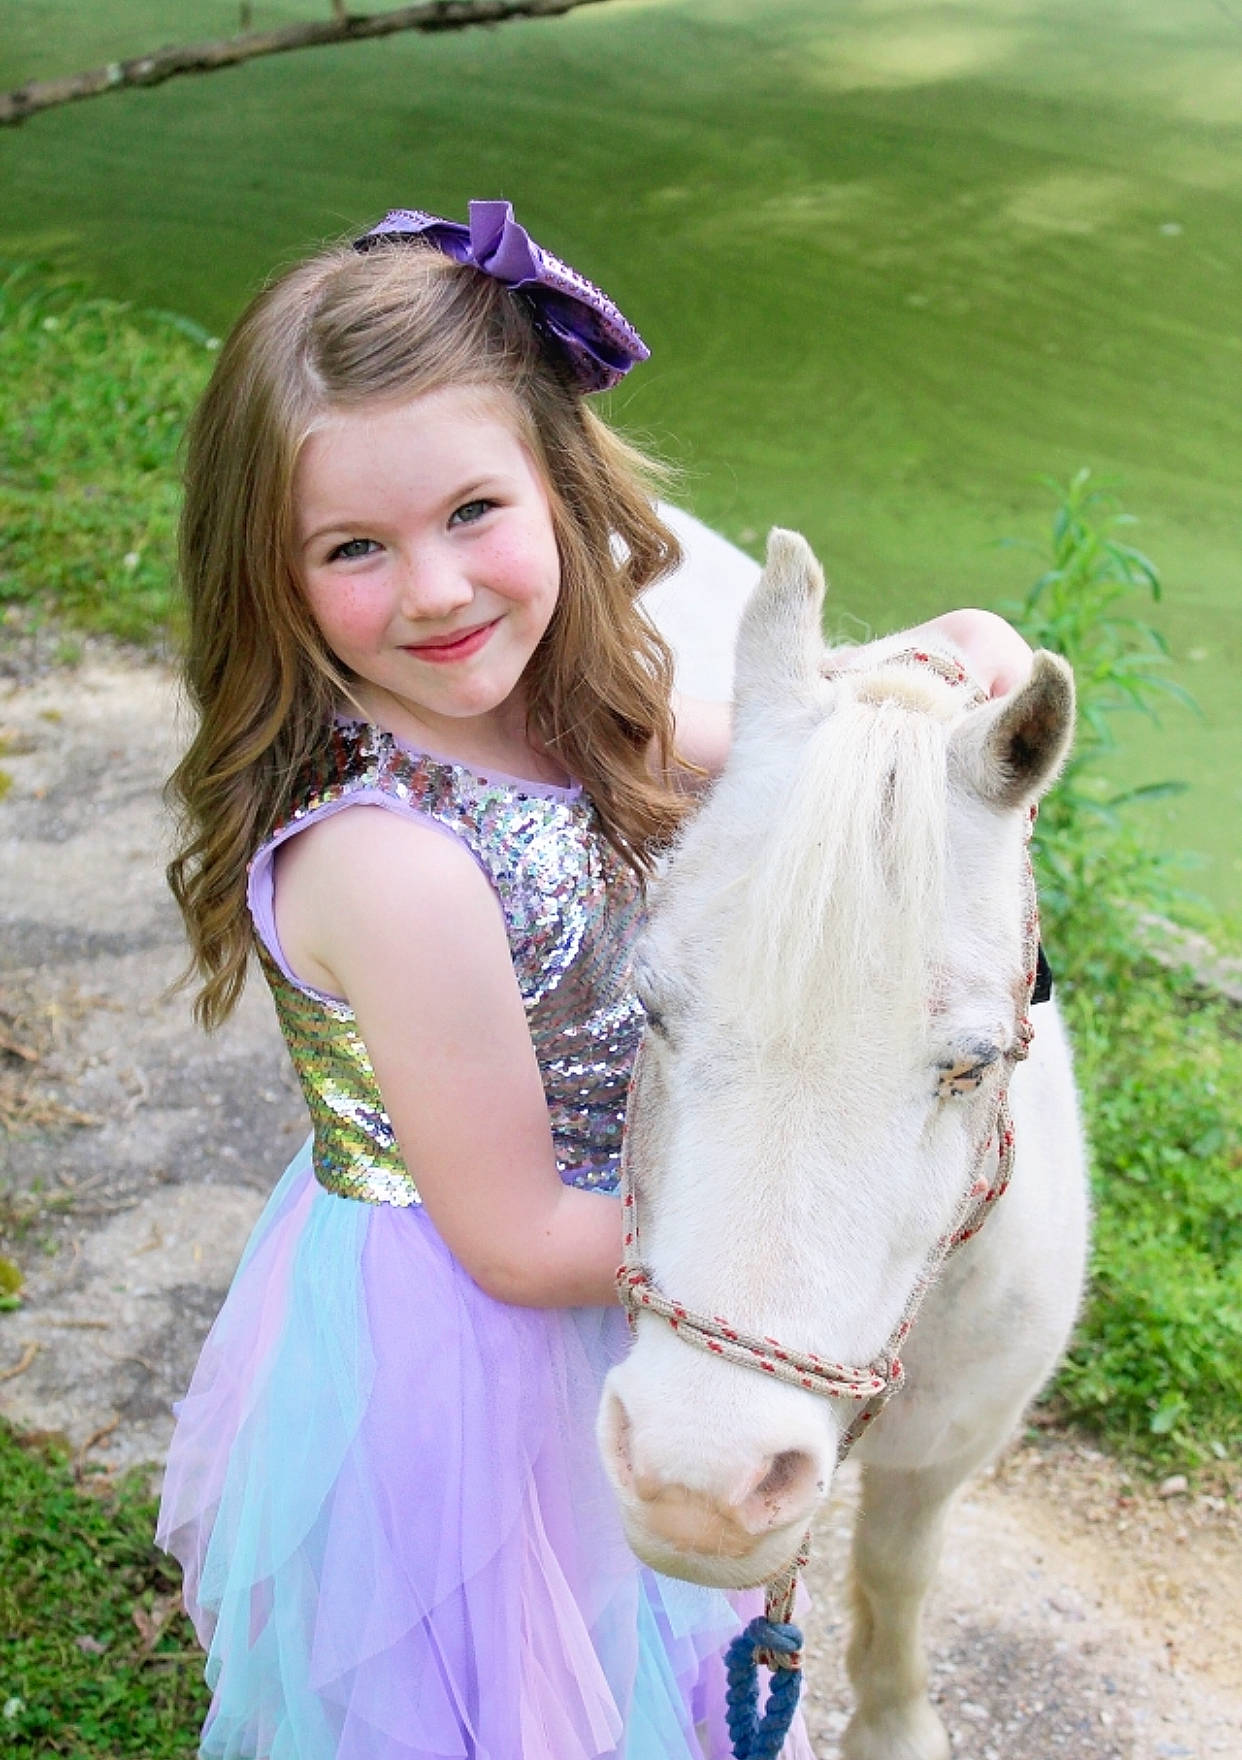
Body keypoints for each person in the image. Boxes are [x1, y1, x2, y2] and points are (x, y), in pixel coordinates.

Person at [157, 199, 1031, 1760]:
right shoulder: (392, 866)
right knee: (503, 1699)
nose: (434, 592)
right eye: (355, 549)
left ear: (559, 490)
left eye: (472, 513)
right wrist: (803, 1225)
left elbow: (807, 722)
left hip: (626, 1292)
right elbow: (513, 1239)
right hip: (478, 1354)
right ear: (269, 575)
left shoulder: (571, 716)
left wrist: (948, 655)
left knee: (629, 1670)